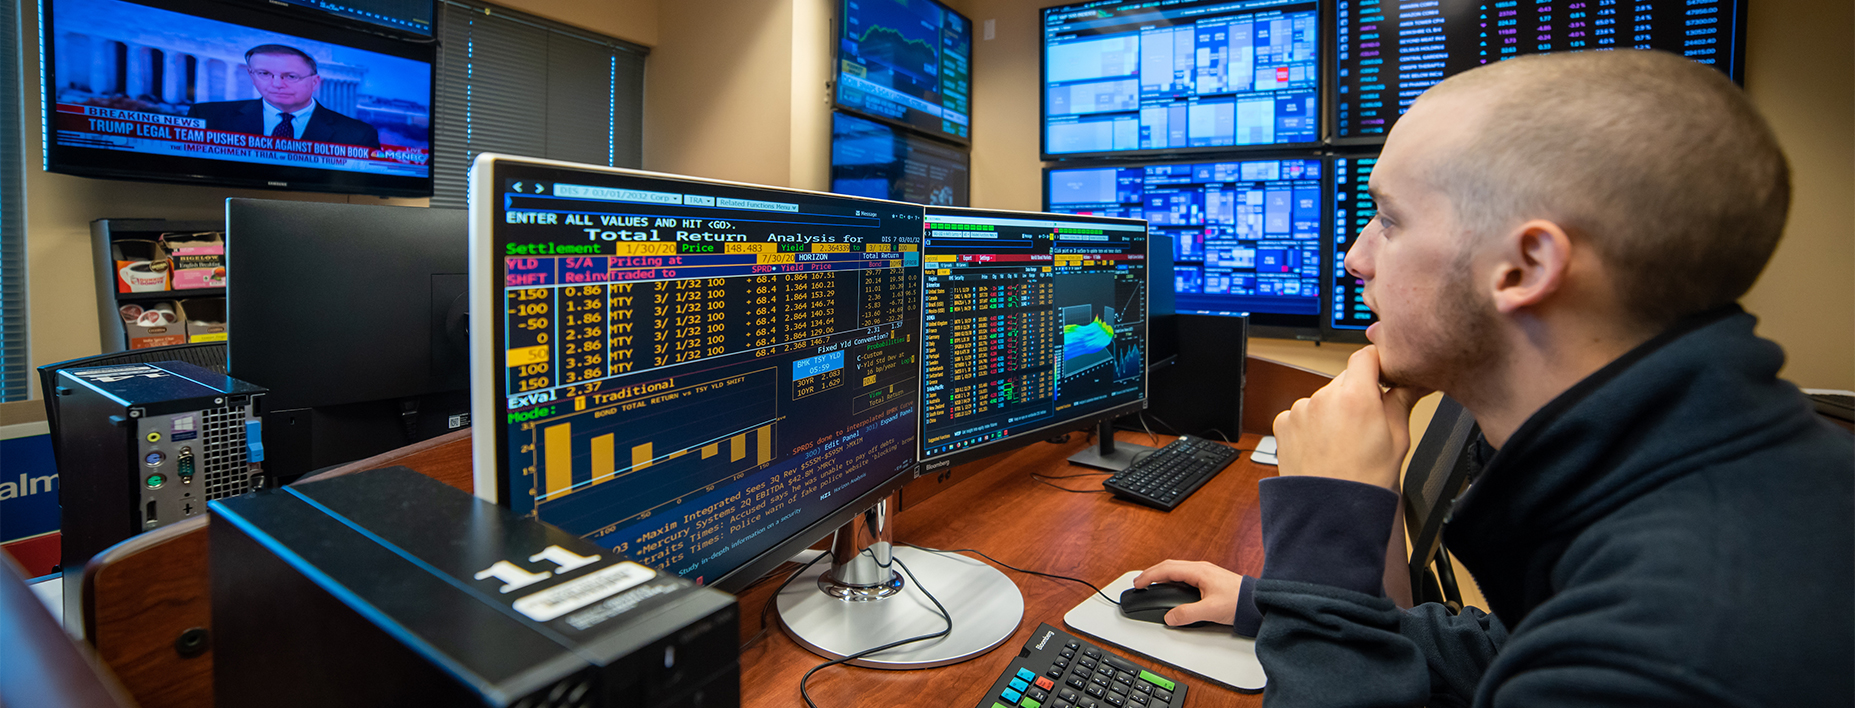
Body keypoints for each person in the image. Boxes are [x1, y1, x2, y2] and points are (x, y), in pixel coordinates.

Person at [1133, 50, 1853, 706]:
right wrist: (1289, 601)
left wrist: (1327, 521)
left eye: (1387, 218)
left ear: (1524, 268)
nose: (1355, 259)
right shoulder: (1710, 477)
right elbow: (1508, 648)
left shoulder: (1680, 650)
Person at [188, 44, 380, 149]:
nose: (277, 84)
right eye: (264, 74)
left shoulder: (358, 135)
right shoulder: (207, 117)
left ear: (315, 82)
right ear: (252, 76)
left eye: (291, 76)